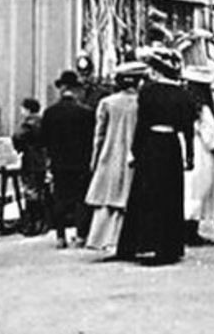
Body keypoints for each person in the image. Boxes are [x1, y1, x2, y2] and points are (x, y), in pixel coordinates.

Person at [117, 48, 195, 264]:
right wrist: (190, 155)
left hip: (151, 146)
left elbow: (142, 123)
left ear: (157, 72)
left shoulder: (148, 93)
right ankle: (169, 246)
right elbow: (188, 128)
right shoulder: (184, 95)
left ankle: (141, 243)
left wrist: (135, 150)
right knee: (170, 195)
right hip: (171, 146)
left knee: (146, 194)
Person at [84, 63, 146, 256]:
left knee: (108, 199)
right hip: (135, 155)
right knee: (130, 198)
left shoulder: (108, 103)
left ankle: (105, 240)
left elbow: (99, 135)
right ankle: (130, 241)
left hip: (110, 154)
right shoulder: (142, 103)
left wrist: (95, 160)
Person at [42, 70, 96, 248]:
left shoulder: (50, 113)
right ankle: (81, 235)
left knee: (60, 198)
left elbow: (44, 139)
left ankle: (60, 237)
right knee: (81, 199)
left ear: (62, 89)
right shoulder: (86, 113)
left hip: (59, 162)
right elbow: (92, 139)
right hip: (81, 162)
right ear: (75, 90)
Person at [182, 65, 214, 245]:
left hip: (188, 147)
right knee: (200, 189)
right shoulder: (204, 110)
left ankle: (187, 229)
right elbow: (210, 135)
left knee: (190, 189)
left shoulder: (187, 105)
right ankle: (191, 231)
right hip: (203, 152)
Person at [12, 97, 49, 237]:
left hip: (31, 160)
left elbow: (17, 137)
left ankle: (32, 224)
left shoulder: (28, 123)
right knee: (40, 191)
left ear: (27, 109)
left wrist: (19, 149)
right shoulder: (43, 121)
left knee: (30, 192)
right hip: (42, 160)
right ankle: (43, 222)